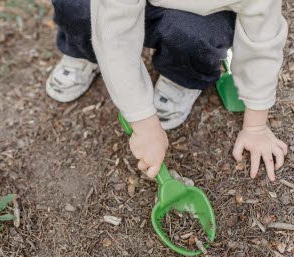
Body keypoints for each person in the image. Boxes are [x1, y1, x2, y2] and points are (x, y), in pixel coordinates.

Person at [46, 0, 288, 181]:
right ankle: (83, 49)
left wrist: (256, 126)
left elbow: (262, 45)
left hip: (198, 15)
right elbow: (115, 36)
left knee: (196, 34)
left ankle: (183, 73)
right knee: (77, 6)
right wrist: (143, 121)